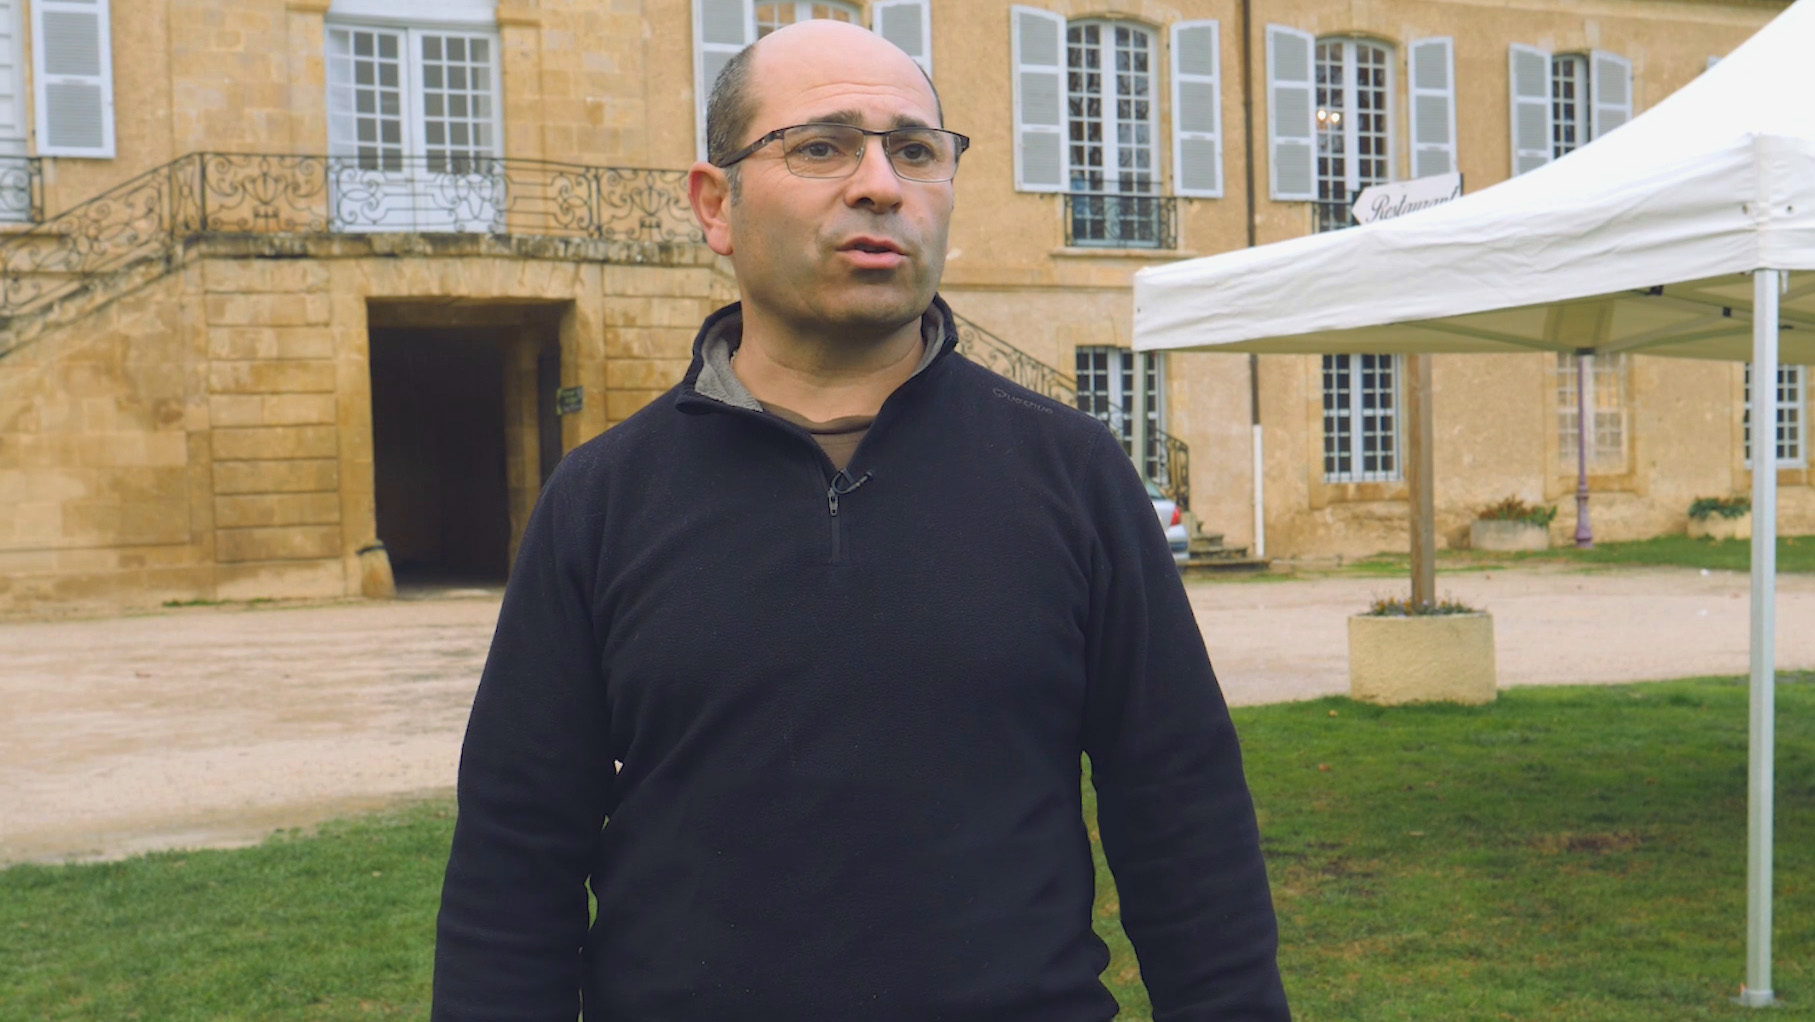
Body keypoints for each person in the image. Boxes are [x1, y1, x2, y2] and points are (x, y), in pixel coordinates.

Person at [432, 19, 1289, 1022]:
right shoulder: (602, 499)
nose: (881, 184)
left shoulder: (1072, 472)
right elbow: (516, 857)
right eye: (821, 146)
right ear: (715, 204)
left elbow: (1183, 818)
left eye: (915, 151)